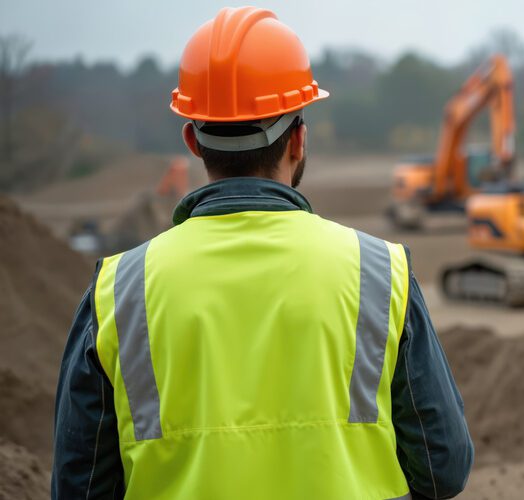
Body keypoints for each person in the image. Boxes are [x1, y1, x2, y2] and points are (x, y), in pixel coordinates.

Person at [51, 7, 473, 499]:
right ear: (298, 138)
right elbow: (443, 465)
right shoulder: (381, 273)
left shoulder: (117, 291)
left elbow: (79, 489)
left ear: (192, 140)